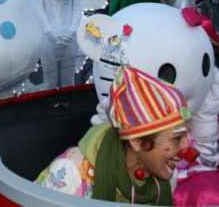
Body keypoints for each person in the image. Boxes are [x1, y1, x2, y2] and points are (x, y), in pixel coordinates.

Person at [36, 64, 192, 204]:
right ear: (137, 141)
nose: (187, 146)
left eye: (186, 135)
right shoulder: (71, 174)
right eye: (177, 138)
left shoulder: (166, 173)